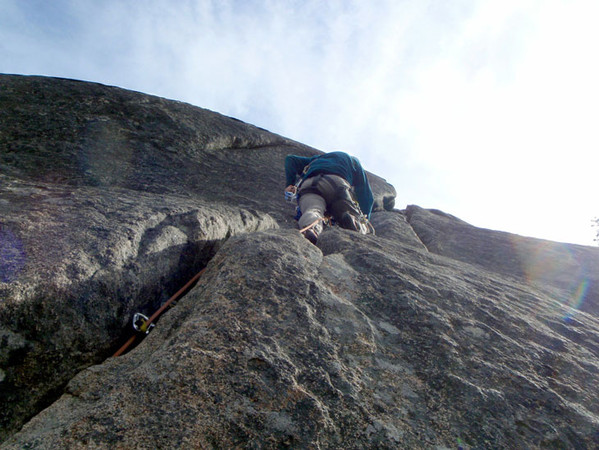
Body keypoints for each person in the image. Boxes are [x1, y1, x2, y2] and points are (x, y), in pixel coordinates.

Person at [284, 151, 374, 244]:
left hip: (310, 185)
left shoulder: (317, 159)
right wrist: (365, 218)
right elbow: (367, 196)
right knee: (347, 211)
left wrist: (290, 184)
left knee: (313, 209)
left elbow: (290, 159)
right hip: (336, 183)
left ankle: (311, 229)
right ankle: (354, 222)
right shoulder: (353, 161)